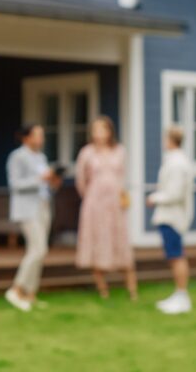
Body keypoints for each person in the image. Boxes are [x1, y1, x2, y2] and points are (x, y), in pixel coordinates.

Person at [75, 116, 138, 301]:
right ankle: (103, 290)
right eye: (95, 129)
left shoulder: (119, 151)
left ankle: (132, 291)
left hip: (115, 204)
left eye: (102, 129)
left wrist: (121, 196)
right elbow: (81, 181)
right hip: (95, 204)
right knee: (98, 242)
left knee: (120, 242)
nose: (98, 133)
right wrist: (91, 197)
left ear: (110, 131)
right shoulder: (86, 153)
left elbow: (123, 176)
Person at [5, 123, 61, 312]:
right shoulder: (17, 157)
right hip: (26, 210)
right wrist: (40, 179)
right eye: (38, 135)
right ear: (26, 138)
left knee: (39, 251)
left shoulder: (41, 157)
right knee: (38, 249)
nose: (41, 139)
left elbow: (45, 183)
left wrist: (52, 181)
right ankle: (16, 289)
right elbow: (15, 184)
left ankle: (30, 294)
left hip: (43, 207)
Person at [147, 125, 195, 315]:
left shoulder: (177, 164)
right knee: (174, 255)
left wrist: (154, 198)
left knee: (176, 256)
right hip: (171, 216)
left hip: (173, 217)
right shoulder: (176, 161)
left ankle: (182, 295)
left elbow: (174, 193)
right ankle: (179, 294)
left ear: (170, 139)